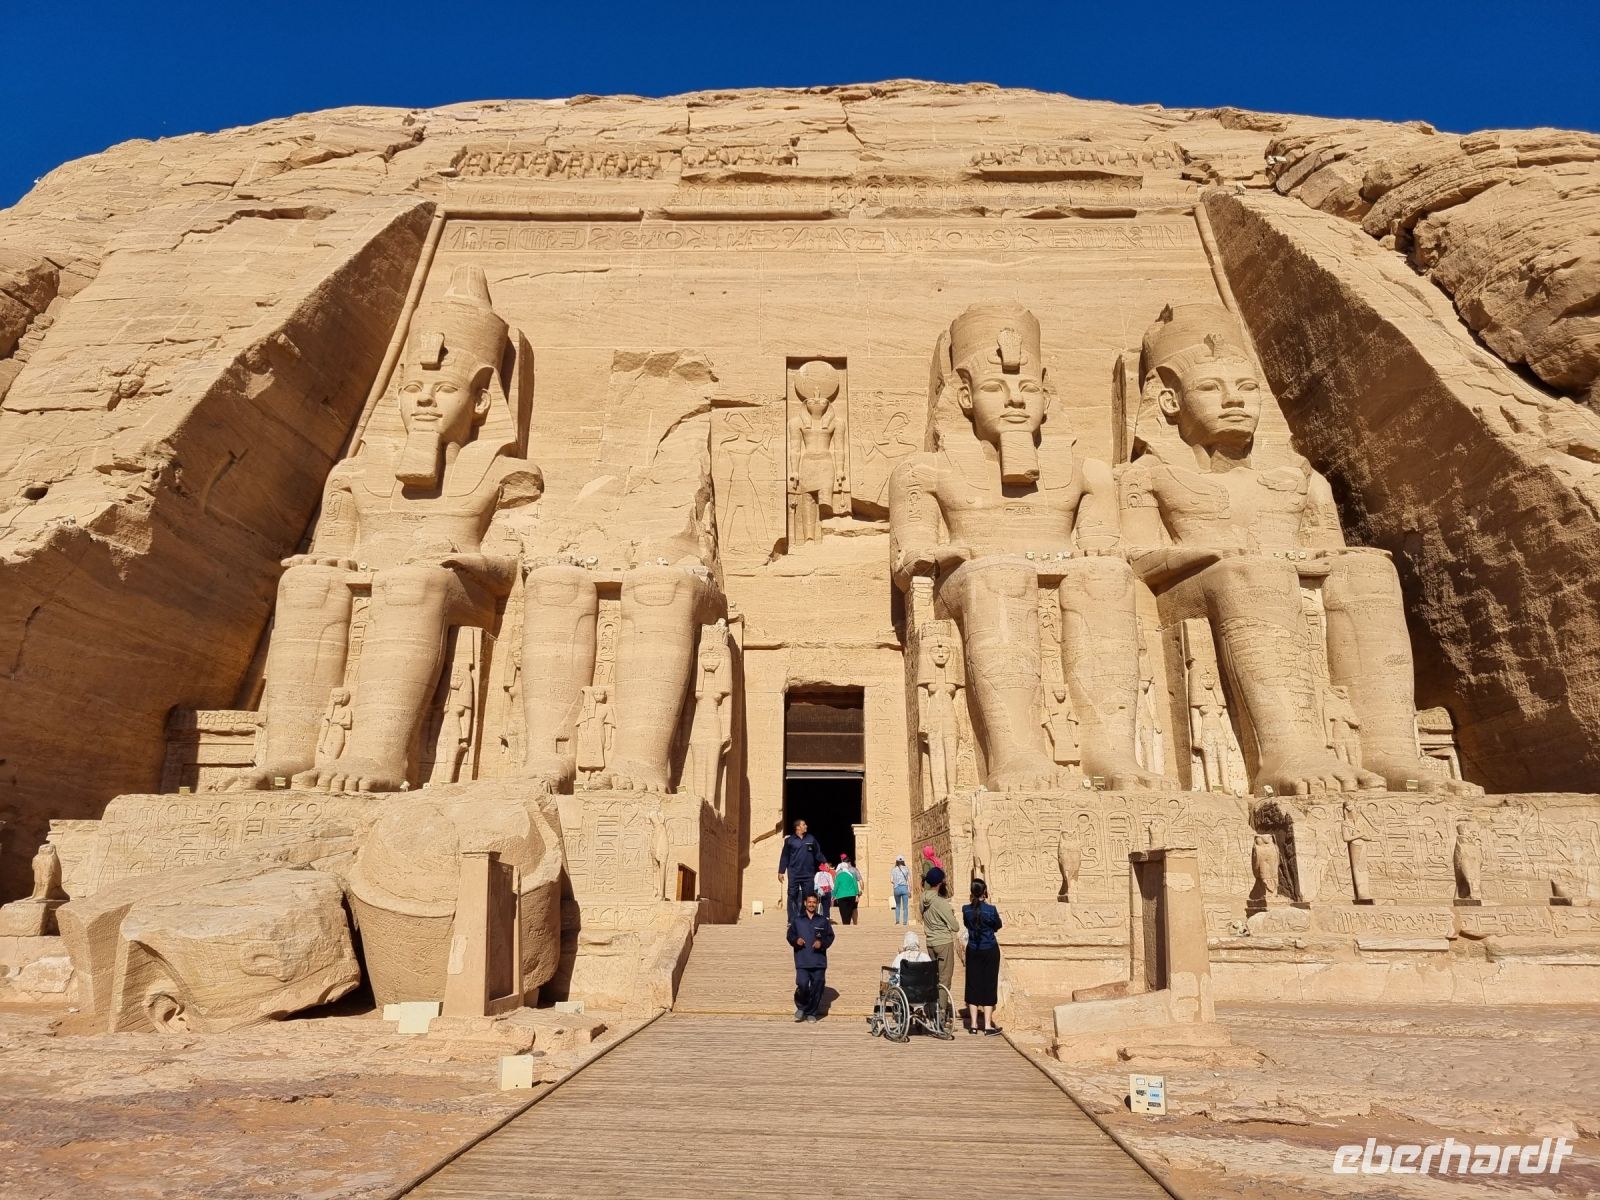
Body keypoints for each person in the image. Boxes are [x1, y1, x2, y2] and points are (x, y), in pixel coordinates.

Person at [963, 878, 1004, 1035]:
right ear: (984, 891)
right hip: (989, 949)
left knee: (972, 984)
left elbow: (967, 924)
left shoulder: (966, 909)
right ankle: (987, 1025)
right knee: (989, 984)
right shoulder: (991, 910)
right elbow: (997, 925)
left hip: (973, 949)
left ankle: (973, 1025)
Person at [786, 892, 834, 1022]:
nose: (812, 904)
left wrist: (822, 943)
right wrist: (796, 940)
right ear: (805, 903)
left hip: (818, 961)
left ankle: (812, 1012)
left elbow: (830, 936)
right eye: (809, 902)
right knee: (802, 984)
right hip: (802, 960)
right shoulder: (797, 920)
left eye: (814, 902)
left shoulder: (823, 920)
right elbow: (789, 935)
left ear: (817, 904)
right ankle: (801, 1007)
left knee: (817, 986)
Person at [920, 866, 959, 1000]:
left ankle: (933, 1009)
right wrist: (951, 914)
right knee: (944, 980)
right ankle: (940, 1014)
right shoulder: (940, 902)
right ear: (940, 882)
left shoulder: (923, 898)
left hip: (930, 941)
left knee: (934, 977)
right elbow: (955, 927)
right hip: (943, 942)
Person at [778, 818, 822, 913]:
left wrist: (824, 862)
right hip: (794, 873)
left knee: (809, 896)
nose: (806, 826)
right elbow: (785, 856)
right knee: (792, 895)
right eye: (804, 824)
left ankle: (805, 917)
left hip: (808, 873)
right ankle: (792, 920)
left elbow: (817, 853)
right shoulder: (789, 841)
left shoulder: (811, 838)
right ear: (798, 827)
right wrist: (781, 871)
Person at [833, 853, 861, 925]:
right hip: (851, 895)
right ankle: (848, 922)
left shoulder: (839, 875)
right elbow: (855, 884)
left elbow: (836, 886)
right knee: (850, 910)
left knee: (843, 910)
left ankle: (845, 923)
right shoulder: (851, 874)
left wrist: (833, 895)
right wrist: (857, 894)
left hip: (841, 896)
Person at [891, 855, 912, 925]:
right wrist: (910, 890)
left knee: (897, 905)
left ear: (896, 861)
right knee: (905, 906)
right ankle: (905, 922)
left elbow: (891, 880)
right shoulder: (906, 869)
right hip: (904, 888)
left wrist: (896, 882)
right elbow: (909, 880)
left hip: (897, 888)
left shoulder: (894, 869)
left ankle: (897, 921)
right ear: (903, 861)